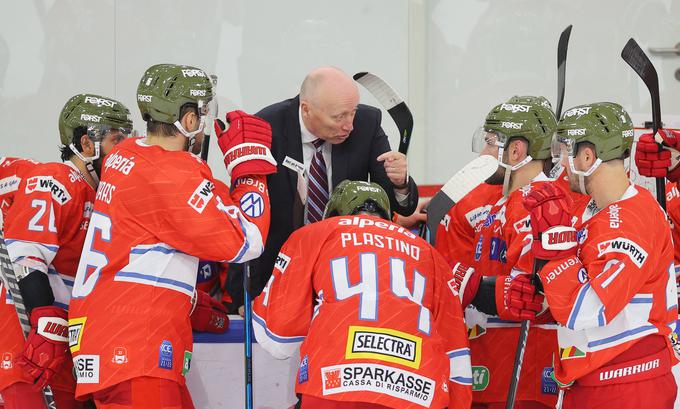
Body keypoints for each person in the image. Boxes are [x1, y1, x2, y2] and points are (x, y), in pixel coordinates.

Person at [67, 63, 272, 408]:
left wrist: (186, 298)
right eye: (203, 113)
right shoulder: (171, 174)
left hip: (111, 343)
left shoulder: (125, 154)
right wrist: (249, 169)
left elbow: (146, 239)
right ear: (189, 121)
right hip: (136, 351)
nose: (204, 122)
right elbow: (245, 241)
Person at [253, 180, 471, 409]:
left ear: (334, 214)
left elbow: (277, 340)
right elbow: (457, 358)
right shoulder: (432, 256)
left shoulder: (314, 234)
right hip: (416, 392)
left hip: (332, 385)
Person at [524, 102, 678, 408]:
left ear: (588, 157)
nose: (561, 163)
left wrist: (556, 256)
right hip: (595, 380)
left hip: (627, 385)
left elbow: (588, 310)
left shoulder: (633, 222)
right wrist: (538, 294)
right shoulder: (592, 209)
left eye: (566, 151)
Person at [231, 66, 419, 310]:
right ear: (306, 109)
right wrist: (245, 295)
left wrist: (400, 183)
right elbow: (247, 216)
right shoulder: (265, 128)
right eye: (339, 117)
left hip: (345, 274)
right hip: (277, 271)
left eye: (352, 112)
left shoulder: (366, 123)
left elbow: (396, 206)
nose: (349, 125)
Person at [1, 94, 132, 409]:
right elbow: (27, 257)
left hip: (64, 343)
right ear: (87, 144)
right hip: (28, 341)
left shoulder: (105, 196)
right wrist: (44, 325)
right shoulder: (57, 179)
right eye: (117, 140)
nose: (126, 149)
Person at [453, 99, 560, 408]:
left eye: (490, 143)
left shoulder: (534, 203)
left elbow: (534, 295)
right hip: (495, 360)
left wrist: (471, 286)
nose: (482, 152)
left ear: (516, 152)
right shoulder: (508, 201)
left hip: (523, 369)